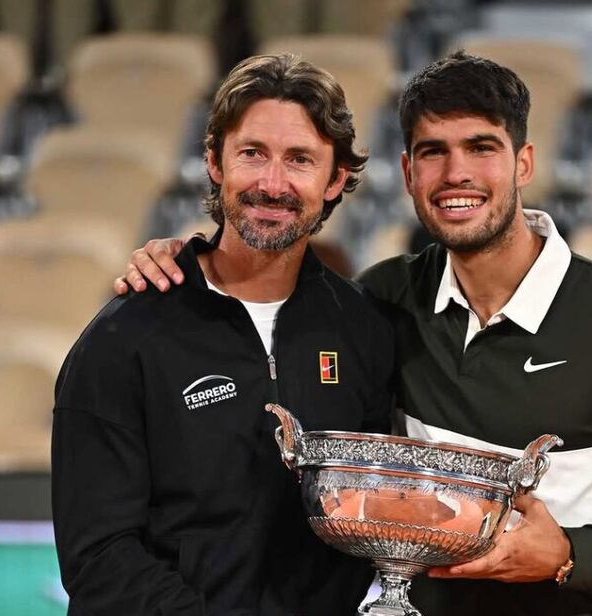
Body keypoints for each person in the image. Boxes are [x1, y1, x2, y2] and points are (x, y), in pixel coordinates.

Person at [117, 51, 592, 616]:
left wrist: (572, 555)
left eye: (482, 147)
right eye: (433, 152)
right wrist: (189, 259)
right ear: (408, 171)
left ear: (523, 161)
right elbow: (260, 283)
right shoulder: (384, 298)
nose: (456, 174)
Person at [53, 54, 394, 616]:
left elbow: (362, 525)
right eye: (252, 153)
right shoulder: (124, 338)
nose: (272, 183)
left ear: (335, 180)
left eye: (300, 160)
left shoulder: (364, 332)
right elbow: (98, 554)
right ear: (214, 161)